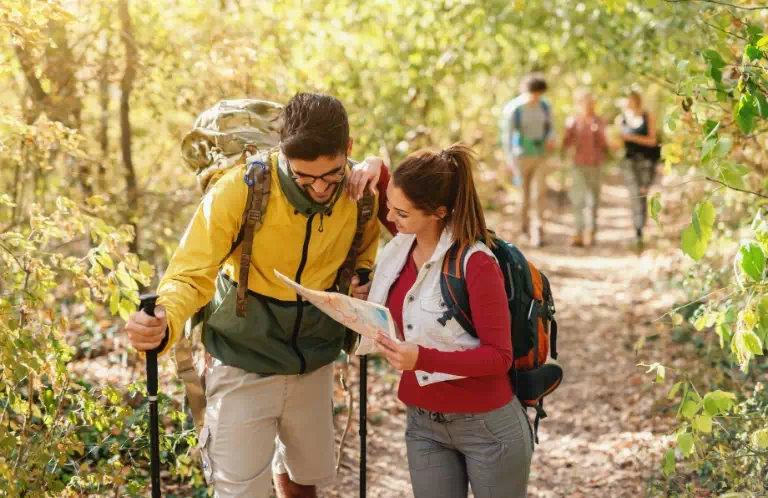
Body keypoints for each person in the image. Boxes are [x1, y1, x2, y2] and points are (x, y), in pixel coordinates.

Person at [125, 92, 389, 498]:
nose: (320, 188)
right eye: (304, 176)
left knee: (304, 478)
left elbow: (366, 247)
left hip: (315, 358)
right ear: (281, 151)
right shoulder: (242, 189)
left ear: (348, 150)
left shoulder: (359, 194)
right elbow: (191, 274)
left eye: (331, 174)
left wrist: (364, 275)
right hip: (242, 357)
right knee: (240, 491)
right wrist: (163, 321)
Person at [357, 144, 533, 498]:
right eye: (389, 206)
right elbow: (396, 196)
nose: (390, 218)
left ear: (439, 212)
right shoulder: (403, 245)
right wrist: (377, 166)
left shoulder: (476, 263)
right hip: (423, 424)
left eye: (400, 213)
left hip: (488, 428)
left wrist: (422, 359)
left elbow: (499, 356)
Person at [501, 74, 557, 247]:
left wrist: (551, 138)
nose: (537, 97)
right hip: (521, 156)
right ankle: (523, 229)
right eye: (535, 94)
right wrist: (509, 159)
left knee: (539, 192)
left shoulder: (545, 106)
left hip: (540, 155)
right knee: (523, 195)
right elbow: (507, 137)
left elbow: (551, 127)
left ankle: (538, 231)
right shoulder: (514, 109)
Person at [562, 90, 611, 248]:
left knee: (593, 200)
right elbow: (566, 144)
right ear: (579, 103)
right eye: (585, 102)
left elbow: (605, 145)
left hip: (596, 164)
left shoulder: (600, 121)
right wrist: (569, 131)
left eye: (591, 102)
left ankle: (592, 232)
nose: (589, 105)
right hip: (578, 165)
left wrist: (599, 132)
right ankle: (578, 233)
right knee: (578, 200)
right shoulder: (573, 121)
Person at [615, 90, 660, 246]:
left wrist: (632, 138)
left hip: (647, 162)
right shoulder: (621, 119)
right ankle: (638, 230)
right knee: (634, 194)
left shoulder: (648, 117)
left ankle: (642, 227)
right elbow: (618, 144)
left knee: (643, 194)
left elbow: (653, 141)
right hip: (629, 162)